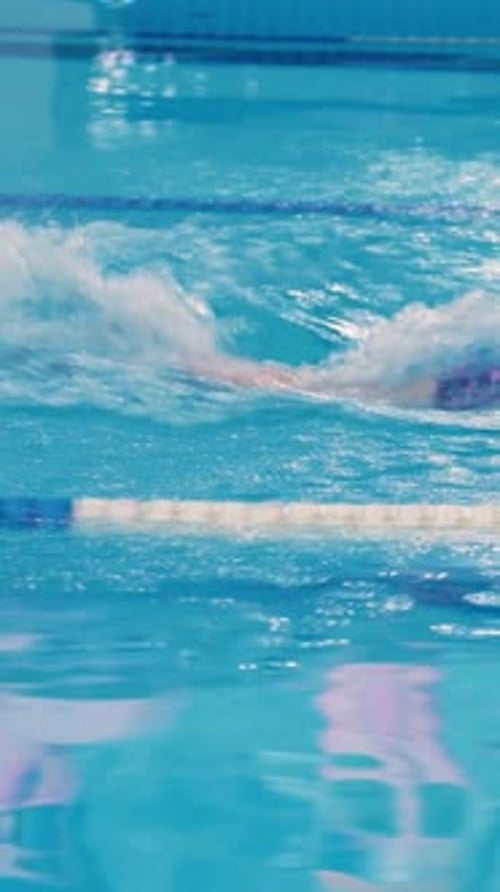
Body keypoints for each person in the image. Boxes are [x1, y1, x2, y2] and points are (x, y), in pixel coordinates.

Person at [186, 351, 500, 411]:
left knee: (316, 387)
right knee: (313, 390)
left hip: (476, 376)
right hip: (471, 383)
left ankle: (208, 368)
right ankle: (202, 368)